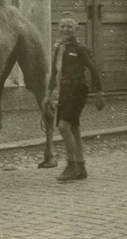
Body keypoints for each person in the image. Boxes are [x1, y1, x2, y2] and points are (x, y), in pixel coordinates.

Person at [43, 11, 105, 182]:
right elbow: (54, 72)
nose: (65, 29)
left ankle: (71, 166)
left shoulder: (80, 49)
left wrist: (100, 94)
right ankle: (81, 168)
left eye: (69, 26)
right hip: (64, 90)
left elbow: (93, 70)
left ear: (76, 29)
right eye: (62, 26)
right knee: (74, 129)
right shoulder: (58, 48)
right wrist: (47, 96)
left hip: (78, 89)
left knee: (63, 126)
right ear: (58, 28)